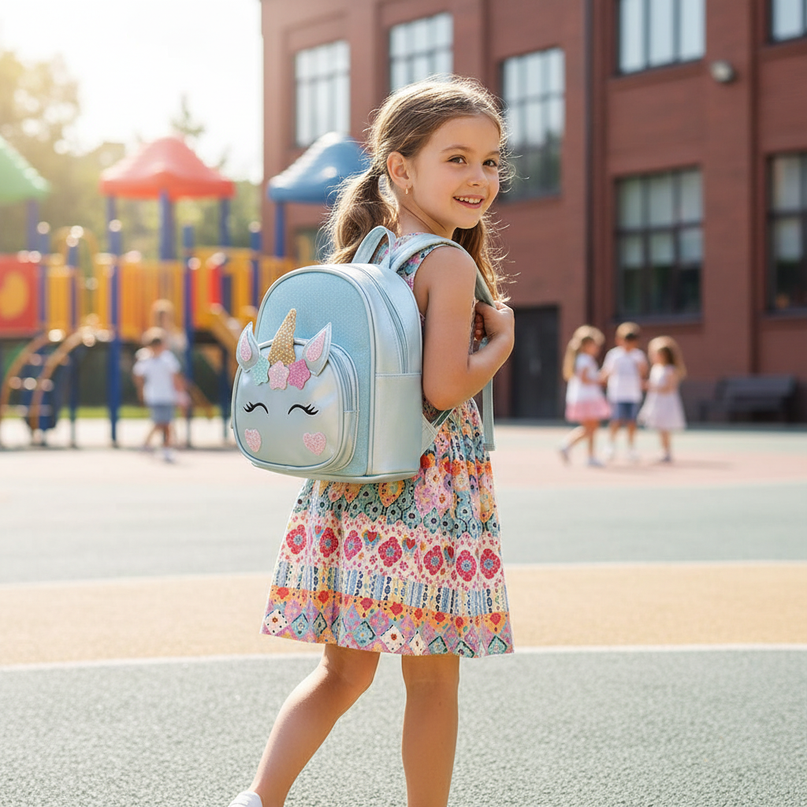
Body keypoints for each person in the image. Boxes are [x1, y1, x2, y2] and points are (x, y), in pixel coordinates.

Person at [226, 77, 515, 807]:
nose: (479, 177)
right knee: (433, 680)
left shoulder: (369, 251)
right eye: (457, 158)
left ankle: (258, 798)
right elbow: (444, 388)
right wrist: (501, 343)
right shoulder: (447, 263)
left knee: (341, 672)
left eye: (490, 161)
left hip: (354, 486)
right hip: (425, 491)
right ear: (400, 168)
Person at [559, 325, 611, 467]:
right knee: (591, 427)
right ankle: (584, 453)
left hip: (584, 397)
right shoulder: (585, 359)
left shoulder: (581, 359)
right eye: (595, 345)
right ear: (587, 345)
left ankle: (571, 447)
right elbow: (585, 379)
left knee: (591, 427)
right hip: (588, 398)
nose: (597, 349)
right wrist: (600, 378)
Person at [132, 327, 182, 462]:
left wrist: (180, 392)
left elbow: (175, 376)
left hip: (167, 395)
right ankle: (155, 445)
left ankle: (162, 446)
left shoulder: (168, 358)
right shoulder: (145, 359)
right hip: (154, 396)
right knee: (160, 422)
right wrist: (141, 390)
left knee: (165, 423)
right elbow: (138, 375)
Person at [601, 322, 648, 462]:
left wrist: (639, 367)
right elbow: (606, 372)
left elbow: (643, 372)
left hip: (633, 394)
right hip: (617, 394)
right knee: (616, 420)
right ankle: (610, 445)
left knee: (632, 422)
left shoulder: (638, 355)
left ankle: (631, 448)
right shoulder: (614, 355)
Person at [638, 336, 687, 462]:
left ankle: (667, 451)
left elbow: (669, 387)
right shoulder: (656, 368)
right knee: (660, 427)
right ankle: (663, 450)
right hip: (656, 401)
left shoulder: (670, 370)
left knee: (665, 427)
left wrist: (651, 386)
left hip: (666, 403)